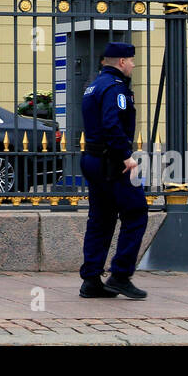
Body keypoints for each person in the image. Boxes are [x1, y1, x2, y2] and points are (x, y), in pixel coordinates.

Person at [79, 42, 149, 300]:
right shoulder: (115, 88)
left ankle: (91, 279)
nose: (132, 65)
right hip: (113, 162)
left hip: (93, 158)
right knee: (137, 212)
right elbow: (111, 123)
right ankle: (120, 275)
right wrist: (126, 156)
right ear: (121, 62)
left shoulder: (93, 86)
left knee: (101, 218)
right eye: (131, 61)